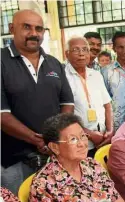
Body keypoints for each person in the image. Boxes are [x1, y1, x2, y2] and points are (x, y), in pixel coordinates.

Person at [1, 9, 74, 193]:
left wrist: (57, 135)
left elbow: (67, 103)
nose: (34, 33)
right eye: (27, 27)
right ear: (12, 28)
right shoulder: (2, 61)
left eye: (39, 29)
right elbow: (2, 115)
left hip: (54, 154)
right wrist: (38, 140)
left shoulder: (54, 63)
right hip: (14, 160)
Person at [29, 113, 124, 202]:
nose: (82, 144)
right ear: (55, 147)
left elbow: (115, 197)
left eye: (83, 136)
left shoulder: (93, 165)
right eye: (73, 139)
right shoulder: (42, 185)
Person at [64, 36, 113, 157]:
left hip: (103, 138)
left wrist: (110, 131)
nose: (81, 54)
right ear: (67, 54)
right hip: (79, 142)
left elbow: (107, 105)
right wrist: (89, 134)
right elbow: (64, 116)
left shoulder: (96, 75)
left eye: (85, 49)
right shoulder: (63, 77)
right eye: (76, 50)